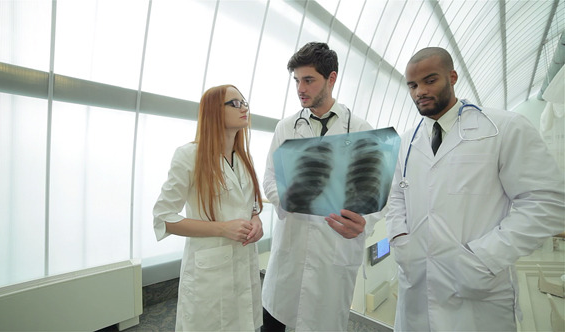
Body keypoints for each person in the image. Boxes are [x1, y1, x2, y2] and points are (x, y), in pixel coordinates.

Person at [386, 47, 565, 331]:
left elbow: (547, 203)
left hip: (477, 289)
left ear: (452, 77)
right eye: (412, 85)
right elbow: (396, 195)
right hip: (417, 284)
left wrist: (485, 257)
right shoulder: (406, 142)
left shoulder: (503, 127)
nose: (420, 91)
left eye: (430, 80)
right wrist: (399, 237)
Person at [262, 42, 378, 331]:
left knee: (322, 323)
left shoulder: (361, 130)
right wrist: (287, 198)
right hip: (292, 247)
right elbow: (269, 179)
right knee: (275, 321)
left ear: (332, 78)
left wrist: (365, 223)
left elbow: (375, 195)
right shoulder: (286, 128)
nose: (301, 88)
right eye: (297, 81)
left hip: (334, 251)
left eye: (309, 80)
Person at [153, 84, 265, 331]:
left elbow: (252, 206)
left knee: (244, 324)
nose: (244, 107)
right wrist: (222, 228)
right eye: (235, 103)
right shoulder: (189, 155)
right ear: (214, 110)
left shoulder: (244, 158)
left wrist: (256, 222)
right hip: (210, 270)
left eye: (244, 102)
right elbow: (164, 218)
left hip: (244, 262)